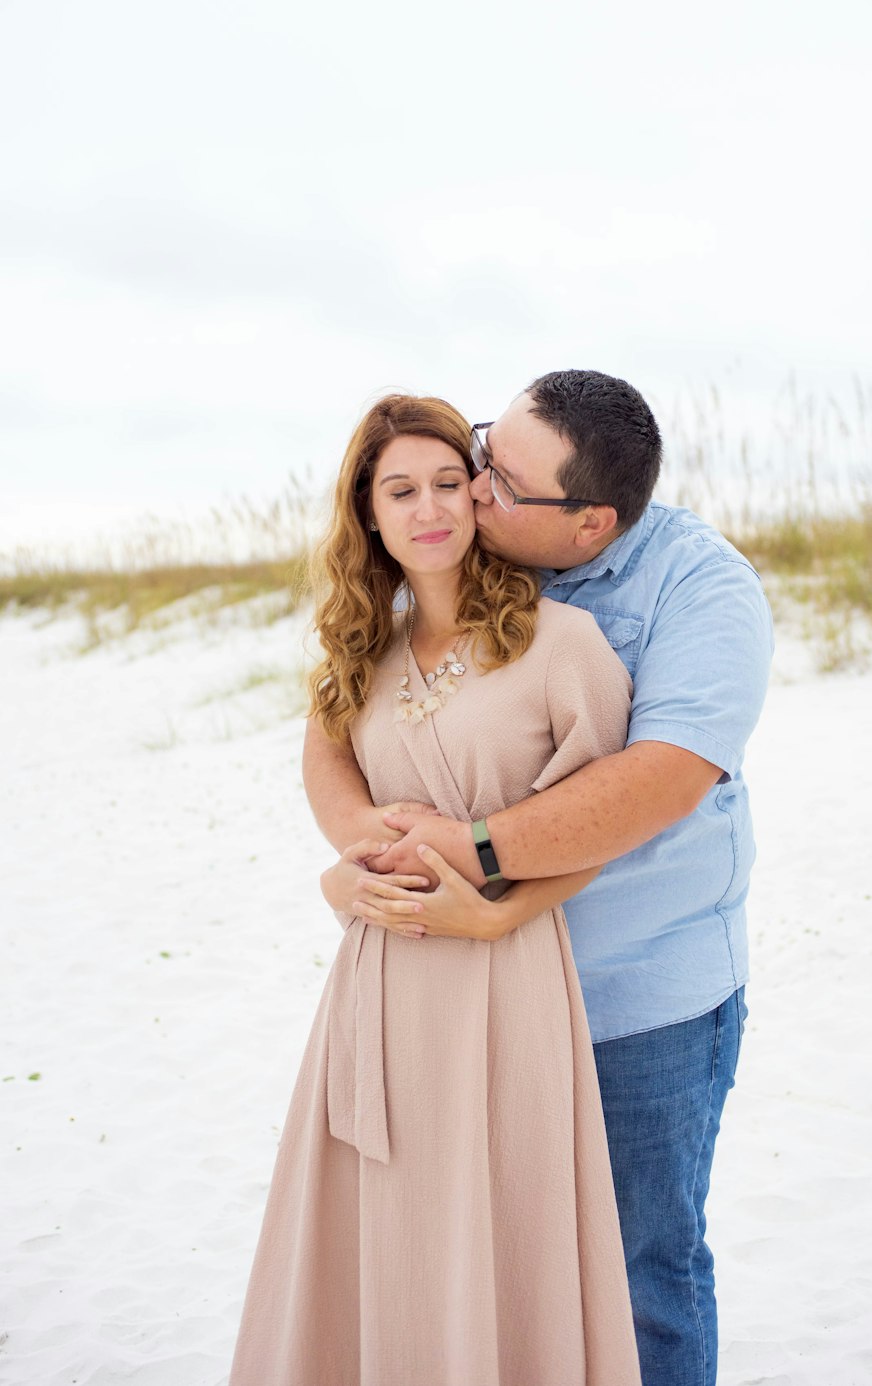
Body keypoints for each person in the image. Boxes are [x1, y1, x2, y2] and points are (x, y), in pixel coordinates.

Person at [305, 369, 774, 1386]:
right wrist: (352, 855)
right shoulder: (462, 555)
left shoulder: (699, 590)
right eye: (484, 453)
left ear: (591, 523)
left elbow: (661, 780)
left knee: (641, 1268)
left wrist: (459, 848)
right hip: (476, 1002)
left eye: (496, 484)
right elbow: (340, 718)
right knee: (498, 1268)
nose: (471, 491)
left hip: (634, 995)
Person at [229, 393, 643, 1386]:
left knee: (499, 1220)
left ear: (480, 492)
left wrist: (503, 905)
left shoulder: (563, 643)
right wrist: (347, 864)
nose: (428, 509)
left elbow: (604, 825)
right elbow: (330, 777)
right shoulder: (362, 653)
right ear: (368, 513)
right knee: (383, 1228)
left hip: (505, 975)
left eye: (449, 482)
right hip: (375, 976)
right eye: (399, 490)